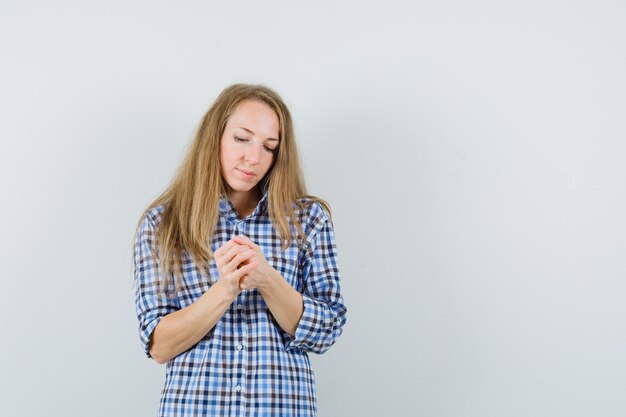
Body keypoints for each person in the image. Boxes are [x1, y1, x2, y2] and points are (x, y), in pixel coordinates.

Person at [132, 83, 347, 417]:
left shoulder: (308, 220)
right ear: (215, 136)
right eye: (242, 138)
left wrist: (266, 279)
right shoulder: (163, 224)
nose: (253, 158)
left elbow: (327, 330)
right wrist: (225, 288)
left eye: (269, 146)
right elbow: (159, 346)